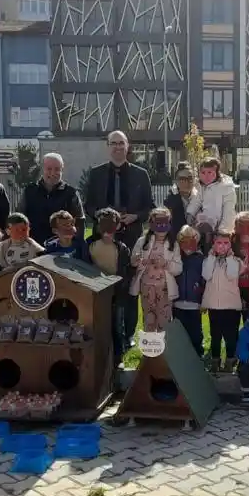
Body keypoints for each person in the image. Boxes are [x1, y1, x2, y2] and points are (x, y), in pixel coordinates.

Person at [84, 131, 155, 345]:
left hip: (131, 237)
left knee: (130, 287)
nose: (117, 147)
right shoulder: (96, 174)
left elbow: (149, 207)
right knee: (102, 286)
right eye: (113, 143)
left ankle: (129, 333)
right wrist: (101, 216)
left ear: (127, 146)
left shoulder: (141, 174)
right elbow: (88, 205)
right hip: (103, 240)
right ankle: (103, 329)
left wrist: (135, 216)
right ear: (108, 146)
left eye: (121, 143)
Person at [86, 208, 132, 363]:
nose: (108, 230)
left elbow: (126, 271)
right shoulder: (89, 245)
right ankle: (98, 356)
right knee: (97, 325)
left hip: (116, 294)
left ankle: (118, 357)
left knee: (117, 326)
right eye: (104, 225)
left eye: (112, 225)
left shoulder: (121, 248)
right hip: (96, 293)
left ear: (118, 226)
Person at [129, 208, 182, 334]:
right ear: (151, 224)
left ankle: (164, 351)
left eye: (164, 223)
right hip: (146, 287)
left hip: (164, 289)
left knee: (164, 321)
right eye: (158, 223)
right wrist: (138, 260)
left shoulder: (173, 244)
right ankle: (150, 352)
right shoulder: (142, 241)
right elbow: (133, 261)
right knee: (149, 319)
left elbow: (178, 268)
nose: (161, 227)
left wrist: (166, 264)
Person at [21, 153, 86, 245]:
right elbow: (20, 218)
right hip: (34, 246)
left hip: (62, 248)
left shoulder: (71, 193)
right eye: (49, 169)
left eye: (57, 169)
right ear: (42, 169)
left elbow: (79, 221)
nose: (53, 173)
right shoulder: (29, 191)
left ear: (62, 169)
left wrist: (79, 246)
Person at [202, 229, 243, 373]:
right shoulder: (208, 260)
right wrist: (212, 258)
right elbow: (206, 275)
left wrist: (230, 259)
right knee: (215, 335)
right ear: (213, 244)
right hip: (214, 306)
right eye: (218, 243)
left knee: (231, 336)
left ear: (231, 245)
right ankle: (215, 360)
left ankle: (230, 361)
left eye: (226, 243)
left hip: (231, 306)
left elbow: (232, 275)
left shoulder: (236, 261)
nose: (222, 246)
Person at [173, 225, 205, 357]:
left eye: (190, 241)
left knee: (196, 332)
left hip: (194, 303)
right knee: (180, 331)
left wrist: (202, 299)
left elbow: (204, 280)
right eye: (183, 241)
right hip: (178, 302)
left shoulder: (200, 259)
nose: (187, 245)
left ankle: (197, 354)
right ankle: (182, 355)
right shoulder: (176, 258)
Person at [195, 157, 237, 248]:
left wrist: (222, 231)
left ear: (217, 173)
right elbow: (195, 203)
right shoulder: (199, 187)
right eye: (203, 173)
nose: (206, 176)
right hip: (202, 228)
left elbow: (229, 211)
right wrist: (190, 215)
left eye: (210, 172)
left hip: (220, 230)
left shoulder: (226, 187)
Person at [163, 162, 201, 237]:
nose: (187, 182)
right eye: (182, 179)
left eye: (190, 178)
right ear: (176, 181)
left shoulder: (200, 198)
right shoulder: (170, 201)